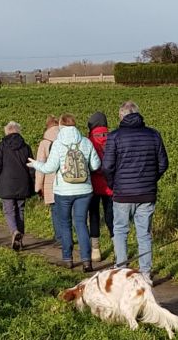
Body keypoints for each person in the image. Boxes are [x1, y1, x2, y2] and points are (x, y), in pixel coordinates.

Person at [101, 101, 167, 277]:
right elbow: (163, 164)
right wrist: (151, 180)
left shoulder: (115, 137)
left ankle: (121, 270)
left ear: (121, 116)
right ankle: (145, 274)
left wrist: (112, 184)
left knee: (121, 231)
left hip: (122, 193)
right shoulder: (154, 135)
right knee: (144, 234)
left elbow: (107, 166)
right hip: (147, 193)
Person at [26, 114, 100, 270]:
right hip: (85, 190)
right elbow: (95, 165)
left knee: (65, 224)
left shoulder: (58, 144)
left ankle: (68, 258)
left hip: (63, 191)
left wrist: (35, 164)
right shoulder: (86, 142)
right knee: (81, 223)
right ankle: (87, 260)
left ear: (60, 125)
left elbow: (50, 168)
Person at [0, 121, 35, 250]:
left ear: (7, 131)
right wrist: (33, 182)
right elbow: (31, 166)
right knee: (20, 210)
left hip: (6, 183)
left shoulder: (2, 146)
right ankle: (19, 241)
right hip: (22, 183)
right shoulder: (26, 147)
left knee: (9, 210)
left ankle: (15, 232)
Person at [84, 111, 114, 262]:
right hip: (110, 186)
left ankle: (95, 250)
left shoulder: (88, 141)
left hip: (93, 186)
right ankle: (117, 247)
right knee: (111, 217)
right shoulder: (112, 137)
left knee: (94, 216)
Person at [36, 116, 60, 207]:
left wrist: (38, 187)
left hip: (51, 184)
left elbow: (40, 167)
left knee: (56, 215)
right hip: (69, 182)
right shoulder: (67, 139)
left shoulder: (44, 142)